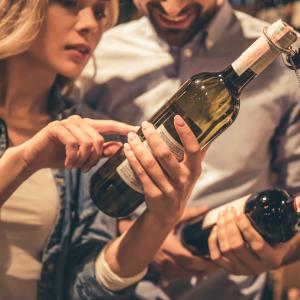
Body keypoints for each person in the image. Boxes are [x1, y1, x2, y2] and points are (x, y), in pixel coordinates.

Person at [81, 0, 300, 299]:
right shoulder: (97, 51)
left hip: (228, 290)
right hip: (115, 285)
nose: (171, 6)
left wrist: (285, 248)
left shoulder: (284, 61)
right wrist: (133, 232)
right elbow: (71, 183)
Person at [0, 1, 207, 299]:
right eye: (71, 4)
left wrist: (159, 220)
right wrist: (24, 161)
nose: (90, 25)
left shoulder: (88, 132)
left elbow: (86, 286)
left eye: (99, 13)